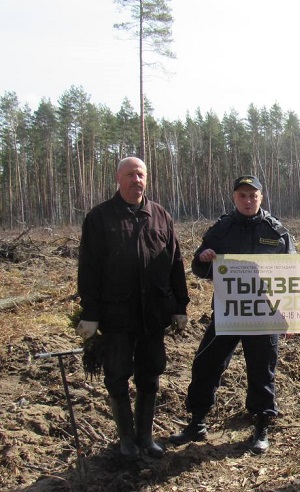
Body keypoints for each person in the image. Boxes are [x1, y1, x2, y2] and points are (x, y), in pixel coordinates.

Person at [169, 175, 296, 454]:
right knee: (206, 364)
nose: (248, 201)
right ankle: (197, 422)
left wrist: (290, 314)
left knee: (262, 371)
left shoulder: (277, 232)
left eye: (253, 196)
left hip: (264, 315)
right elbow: (199, 267)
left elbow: (293, 274)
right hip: (228, 312)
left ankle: (261, 427)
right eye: (242, 196)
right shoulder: (221, 229)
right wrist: (204, 259)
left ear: (261, 198)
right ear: (234, 198)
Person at [76, 156, 190, 460]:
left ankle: (145, 437)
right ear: (118, 179)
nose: (135, 180)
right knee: (116, 375)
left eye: (140, 174)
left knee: (150, 374)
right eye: (129, 174)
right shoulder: (100, 218)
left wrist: (180, 305)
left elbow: (175, 264)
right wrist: (90, 314)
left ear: (146, 179)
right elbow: (88, 270)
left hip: (153, 313)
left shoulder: (160, 216)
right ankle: (126, 440)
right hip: (116, 315)